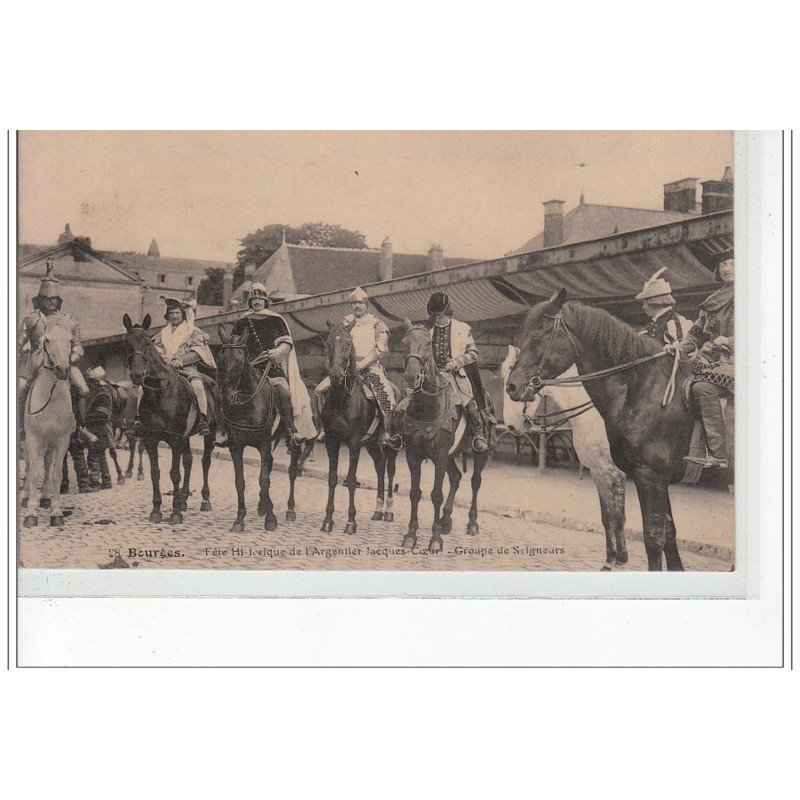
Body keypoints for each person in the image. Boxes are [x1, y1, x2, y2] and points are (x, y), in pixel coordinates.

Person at [398, 291, 489, 452]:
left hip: (454, 374)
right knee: (406, 398)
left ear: (447, 312)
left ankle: (478, 434)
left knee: (467, 399)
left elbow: (473, 354)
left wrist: (456, 362)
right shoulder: (427, 329)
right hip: (430, 374)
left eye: (440, 314)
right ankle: (398, 434)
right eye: (434, 315)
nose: (437, 318)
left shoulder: (462, 328)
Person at [18, 260, 97, 443]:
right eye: (48, 298)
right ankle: (20, 426)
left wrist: (71, 357)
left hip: (64, 363)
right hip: (35, 362)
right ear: (40, 299)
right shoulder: (31, 320)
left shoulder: (69, 321)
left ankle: (80, 427)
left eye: (54, 299)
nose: (52, 301)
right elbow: (18, 343)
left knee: (83, 390)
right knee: (19, 389)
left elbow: (78, 346)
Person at [229, 282, 316, 448]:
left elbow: (286, 343)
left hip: (270, 367)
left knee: (283, 393)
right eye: (253, 299)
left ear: (265, 301)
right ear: (250, 301)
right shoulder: (241, 322)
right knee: (228, 391)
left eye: (260, 299)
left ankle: (290, 430)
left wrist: (278, 353)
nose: (257, 302)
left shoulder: (276, 320)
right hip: (247, 368)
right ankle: (228, 431)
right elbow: (234, 344)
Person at [667, 255, 735, 468]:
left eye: (732, 263)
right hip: (715, 361)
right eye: (723, 264)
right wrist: (679, 346)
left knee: (702, 388)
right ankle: (692, 449)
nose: (727, 268)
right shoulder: (712, 302)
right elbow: (695, 335)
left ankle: (719, 454)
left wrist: (729, 340)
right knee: (684, 382)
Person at [314, 286, 400, 448]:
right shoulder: (344, 323)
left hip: (370, 367)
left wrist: (361, 365)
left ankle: (385, 433)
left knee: (386, 394)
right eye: (354, 303)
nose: (357, 306)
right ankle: (323, 427)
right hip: (345, 369)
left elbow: (380, 349)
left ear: (366, 304)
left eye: (360, 303)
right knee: (320, 390)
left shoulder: (378, 324)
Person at [152, 297, 216, 436]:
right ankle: (141, 420)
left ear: (183, 314)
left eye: (177, 313)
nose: (174, 316)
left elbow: (198, 352)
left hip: (186, 369)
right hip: (164, 369)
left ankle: (203, 420)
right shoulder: (162, 333)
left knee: (198, 386)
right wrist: (162, 358)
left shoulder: (192, 331)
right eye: (171, 313)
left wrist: (180, 360)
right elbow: (155, 349)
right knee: (144, 386)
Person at [635, 267, 692, 345]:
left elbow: (680, 351)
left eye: (645, 303)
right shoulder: (653, 324)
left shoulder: (674, 322)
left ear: (653, 302)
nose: (643, 307)